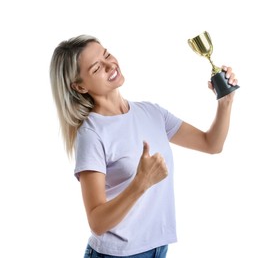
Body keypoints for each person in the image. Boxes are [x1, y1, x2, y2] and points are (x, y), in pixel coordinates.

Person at [49, 34, 238, 258]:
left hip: (158, 248)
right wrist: (141, 182)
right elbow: (97, 222)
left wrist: (225, 102)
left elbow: (211, 144)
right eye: (97, 68)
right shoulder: (91, 134)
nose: (111, 65)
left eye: (107, 54)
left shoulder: (151, 112)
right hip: (117, 254)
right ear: (79, 87)